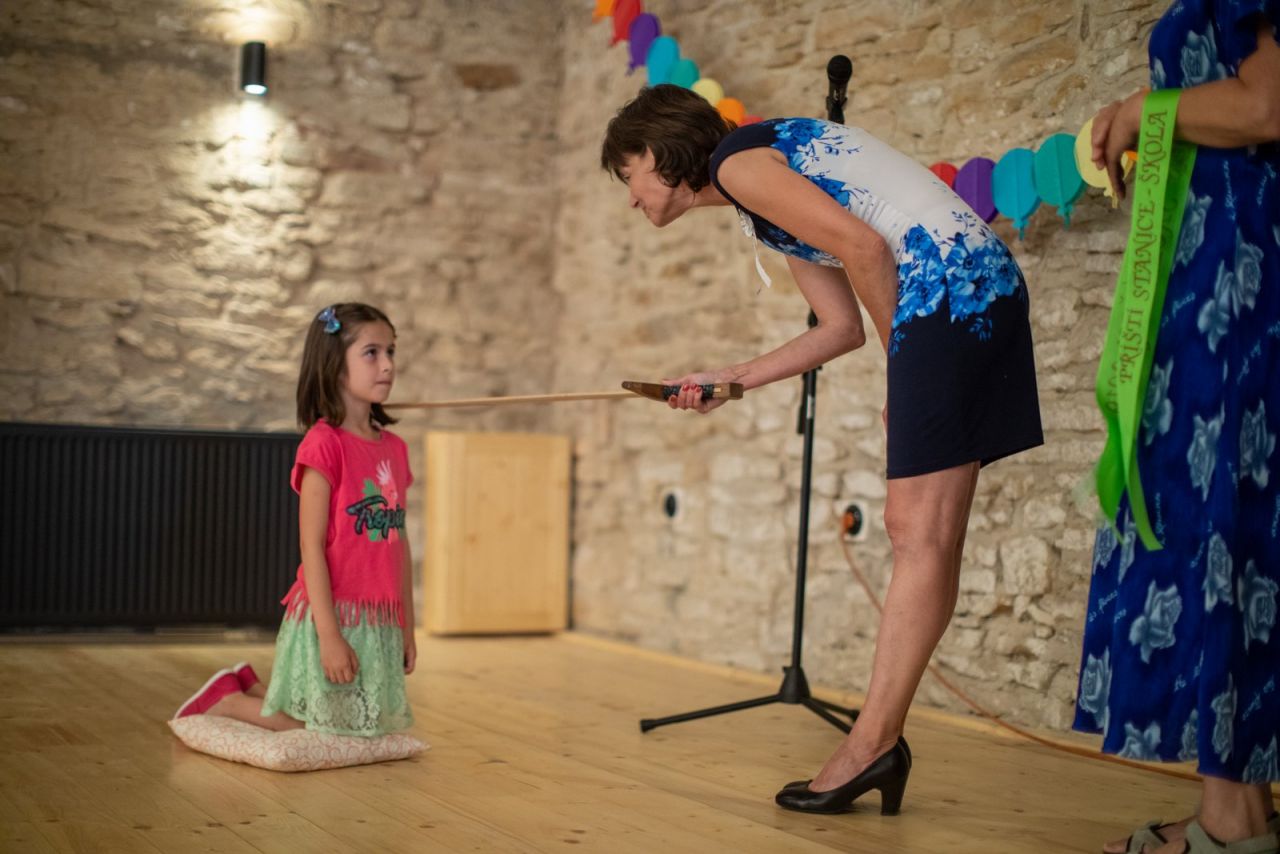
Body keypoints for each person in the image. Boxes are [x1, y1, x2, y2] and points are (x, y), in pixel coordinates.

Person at [600, 84, 1043, 814]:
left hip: (948, 283)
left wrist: (904, 371)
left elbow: (867, 248)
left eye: (629, 175)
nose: (630, 198)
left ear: (658, 151)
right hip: (966, 281)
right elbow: (840, 328)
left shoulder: (740, 163)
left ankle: (872, 745)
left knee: (918, 531)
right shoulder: (757, 199)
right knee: (924, 532)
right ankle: (878, 743)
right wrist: (729, 378)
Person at [1074, 2, 1280, 852]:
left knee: (1226, 518)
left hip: (1240, 284)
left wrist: (1142, 110)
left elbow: (1265, 106)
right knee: (1221, 517)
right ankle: (1243, 805)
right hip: (1214, 274)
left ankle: (1232, 824)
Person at [172, 303, 417, 737]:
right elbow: (311, 546)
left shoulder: (395, 448)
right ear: (334, 365)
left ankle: (251, 687)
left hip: (377, 620)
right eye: (372, 353)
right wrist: (330, 637)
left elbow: (399, 543)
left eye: (391, 352)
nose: (387, 365)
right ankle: (228, 700)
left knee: (363, 723)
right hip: (331, 614)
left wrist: (407, 628)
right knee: (323, 729)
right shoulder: (324, 445)